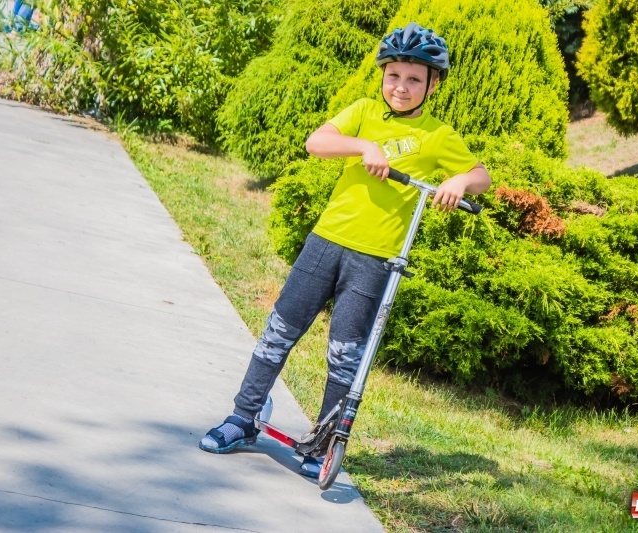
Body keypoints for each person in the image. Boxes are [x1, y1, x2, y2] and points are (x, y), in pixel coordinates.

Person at [199, 22, 492, 478]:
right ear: (382, 76)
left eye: (415, 79)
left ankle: (321, 441)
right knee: (279, 331)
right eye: (394, 75)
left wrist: (457, 180)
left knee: (344, 353)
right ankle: (242, 416)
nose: (402, 86)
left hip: (374, 259)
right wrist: (364, 146)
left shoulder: (438, 136)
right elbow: (317, 142)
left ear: (433, 84)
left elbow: (482, 175)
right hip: (326, 242)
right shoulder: (363, 112)